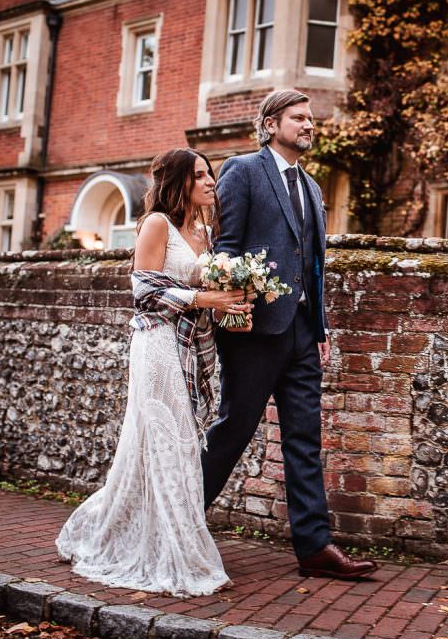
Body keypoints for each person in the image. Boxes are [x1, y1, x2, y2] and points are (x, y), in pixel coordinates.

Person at [56, 148, 253, 596]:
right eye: (200, 175)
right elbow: (143, 290)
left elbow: (206, 289)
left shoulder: (205, 230)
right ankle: (174, 550)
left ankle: (145, 530)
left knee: (181, 445)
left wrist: (236, 304)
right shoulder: (157, 224)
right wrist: (207, 300)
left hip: (191, 347)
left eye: (210, 175)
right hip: (158, 345)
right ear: (179, 182)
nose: (210, 183)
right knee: (169, 440)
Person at [203, 90, 377, 579]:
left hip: (301, 332)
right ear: (271, 123)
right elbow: (226, 250)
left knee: (304, 438)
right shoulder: (243, 170)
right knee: (234, 430)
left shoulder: (314, 187)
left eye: (311, 118)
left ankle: (314, 547)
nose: (309, 125)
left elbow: (316, 267)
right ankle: (177, 519)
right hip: (254, 331)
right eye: (299, 118)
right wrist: (237, 307)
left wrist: (318, 327)